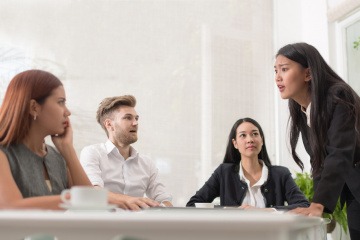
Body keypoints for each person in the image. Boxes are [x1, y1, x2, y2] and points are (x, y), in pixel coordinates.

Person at [274, 42, 360, 239]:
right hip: (354, 191)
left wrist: (319, 205)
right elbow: (319, 162)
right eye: (276, 70)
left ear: (308, 74)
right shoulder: (304, 110)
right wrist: (315, 206)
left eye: (284, 69)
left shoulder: (338, 96)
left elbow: (339, 152)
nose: (278, 77)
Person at [0, 69, 93, 209]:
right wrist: (73, 199)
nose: (67, 112)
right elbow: (10, 206)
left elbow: (91, 206)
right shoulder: (3, 154)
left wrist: (68, 150)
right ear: (34, 107)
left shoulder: (57, 157)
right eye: (60, 102)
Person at [186, 117, 309, 210]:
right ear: (235, 143)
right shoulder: (224, 173)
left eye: (255, 134)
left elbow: (303, 206)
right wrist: (228, 212)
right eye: (243, 135)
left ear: (262, 140)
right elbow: (193, 205)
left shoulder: (280, 174)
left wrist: (267, 212)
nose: (250, 139)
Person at [80, 95, 172, 210]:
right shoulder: (92, 153)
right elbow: (94, 193)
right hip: (102, 225)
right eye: (128, 118)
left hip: (138, 226)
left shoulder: (146, 163)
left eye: (136, 118)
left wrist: (164, 205)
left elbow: (164, 199)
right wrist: (130, 200)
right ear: (109, 124)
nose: (135, 123)